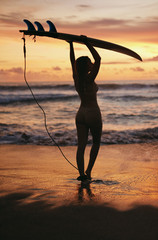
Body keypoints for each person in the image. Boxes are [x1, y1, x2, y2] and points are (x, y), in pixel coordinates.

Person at [68, 36, 102, 181]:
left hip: (81, 114)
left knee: (81, 146)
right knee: (95, 142)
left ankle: (81, 174)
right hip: (93, 113)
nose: (92, 64)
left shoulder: (76, 78)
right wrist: (87, 43)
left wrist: (71, 45)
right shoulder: (89, 79)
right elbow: (99, 59)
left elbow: (72, 62)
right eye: (89, 63)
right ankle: (88, 171)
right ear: (86, 66)